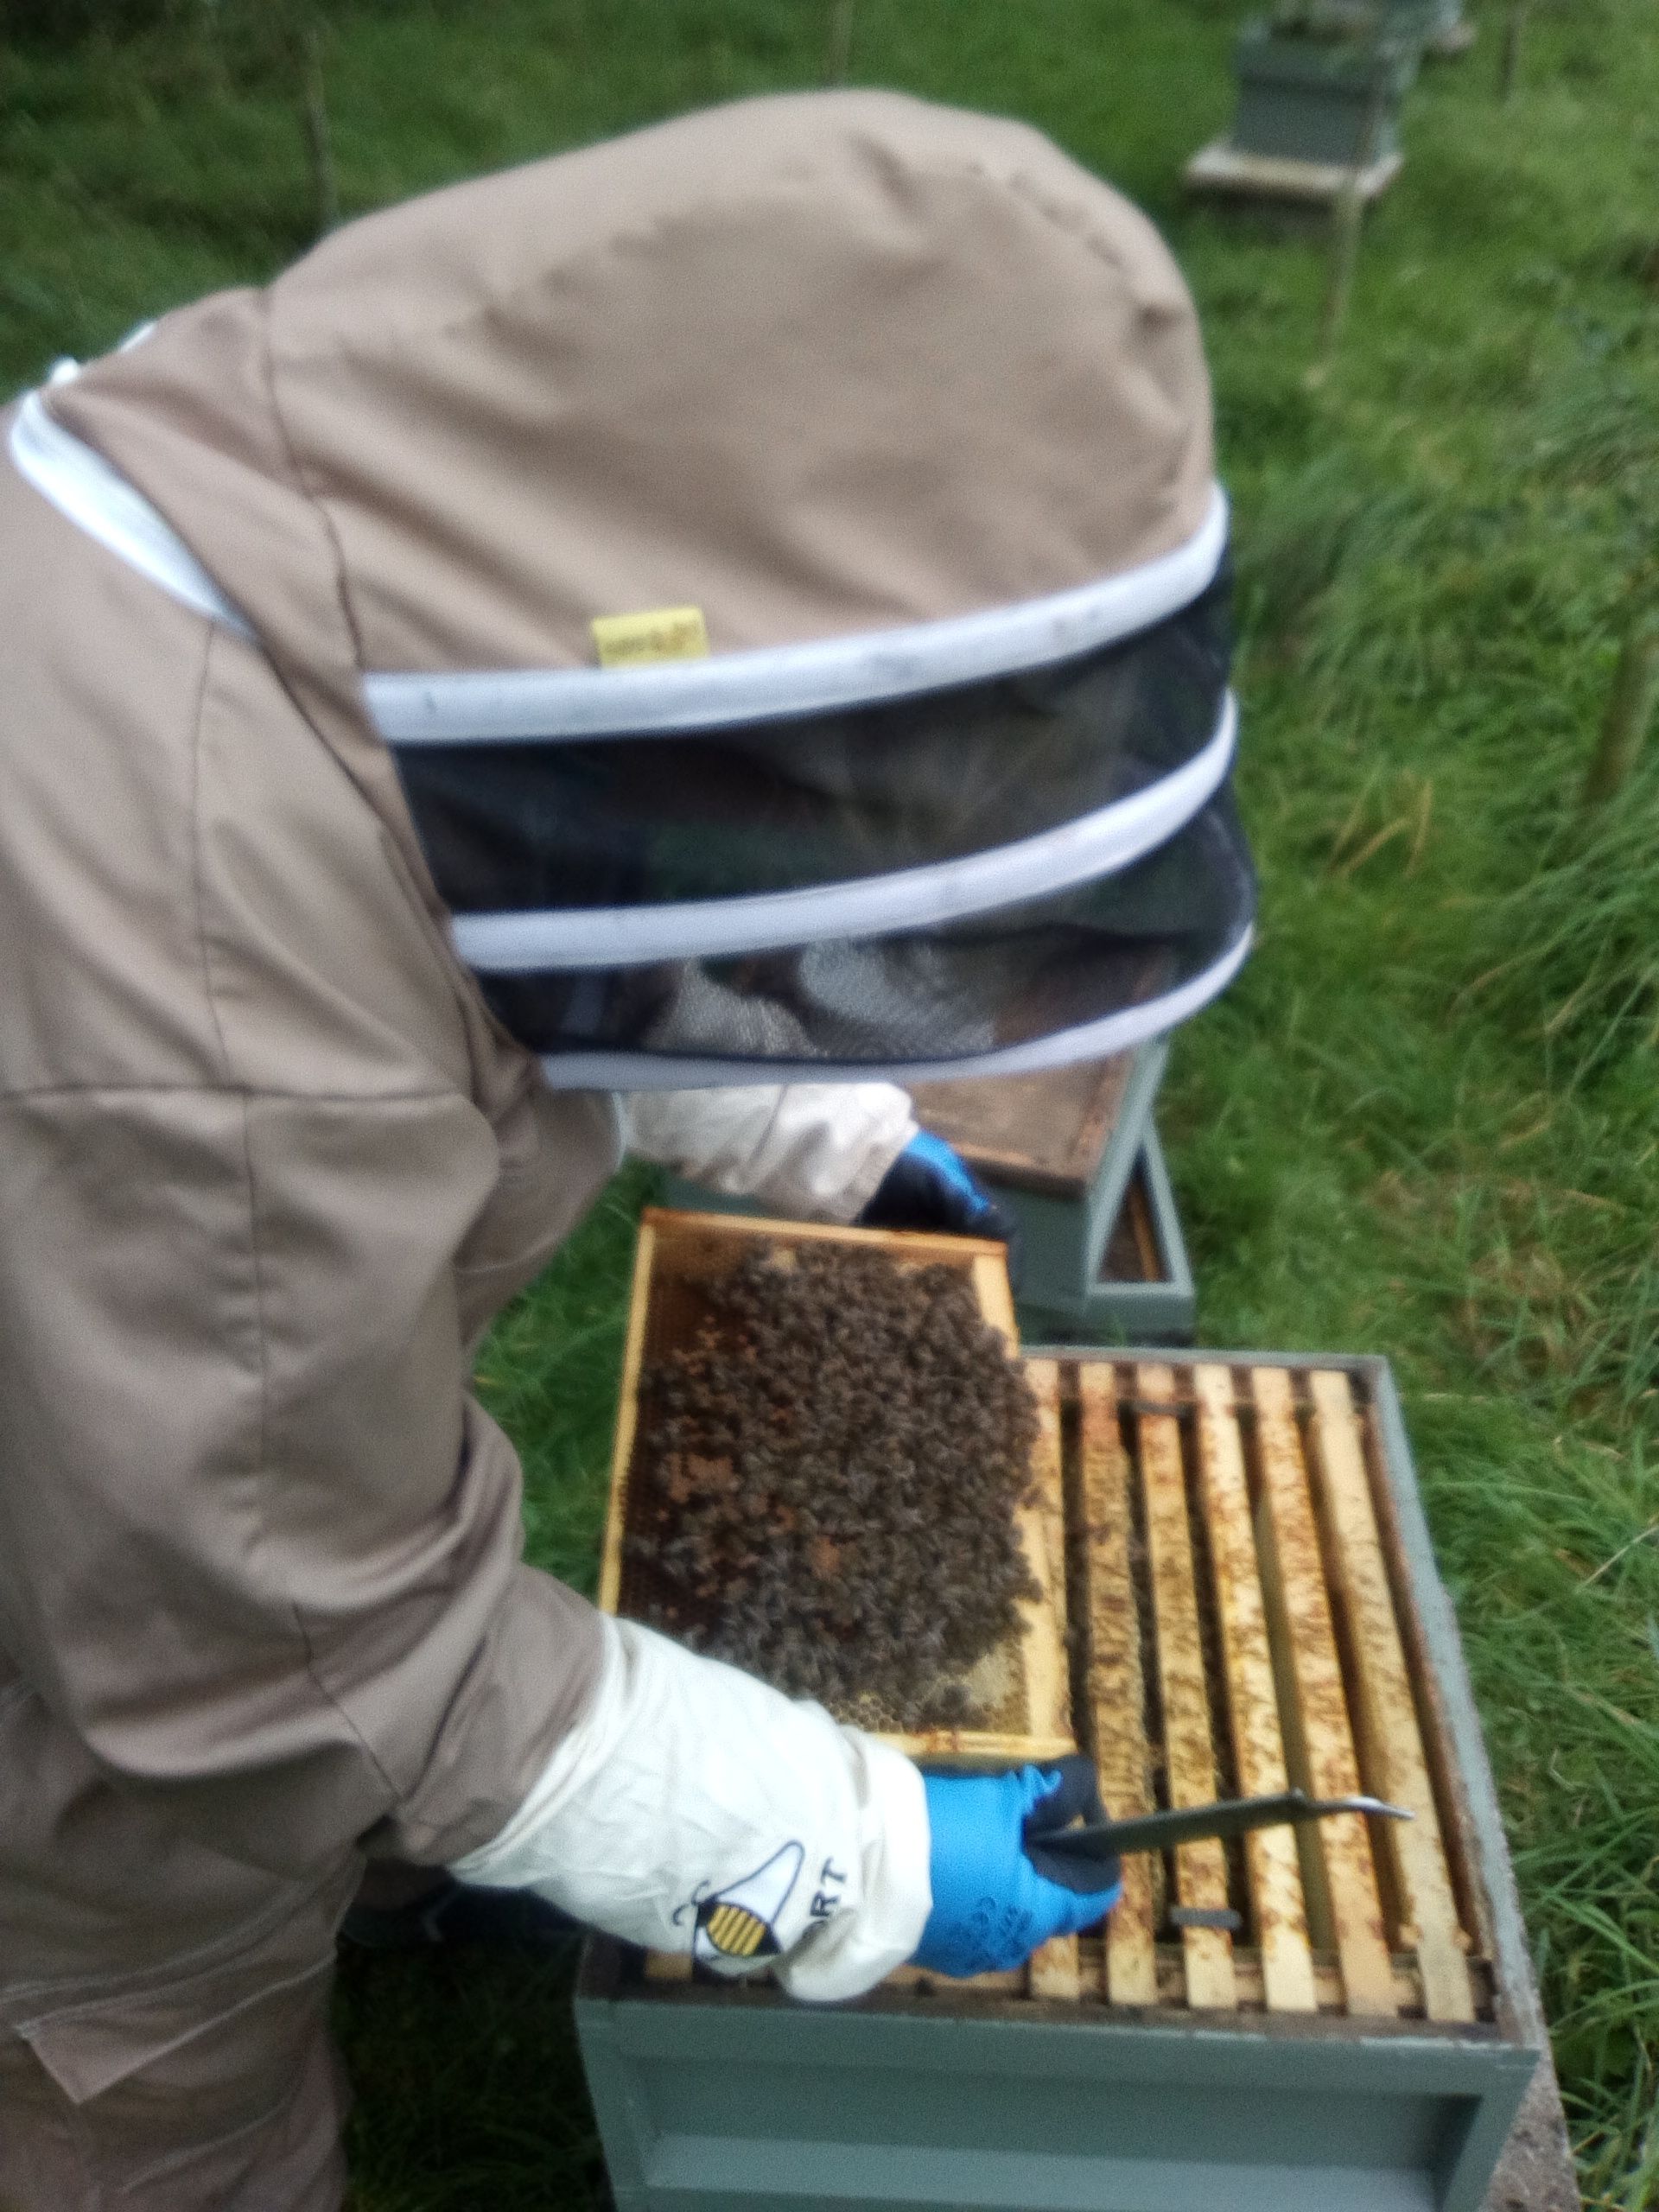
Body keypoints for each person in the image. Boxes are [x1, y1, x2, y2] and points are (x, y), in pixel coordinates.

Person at [0, 89, 1250, 2209]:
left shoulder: (283, 530)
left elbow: (540, 843)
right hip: (90, 1725)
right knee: (139, 2058)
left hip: (127, 1361)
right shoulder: (201, 1017)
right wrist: (854, 1854)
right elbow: (284, 1661)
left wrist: (823, 1133)